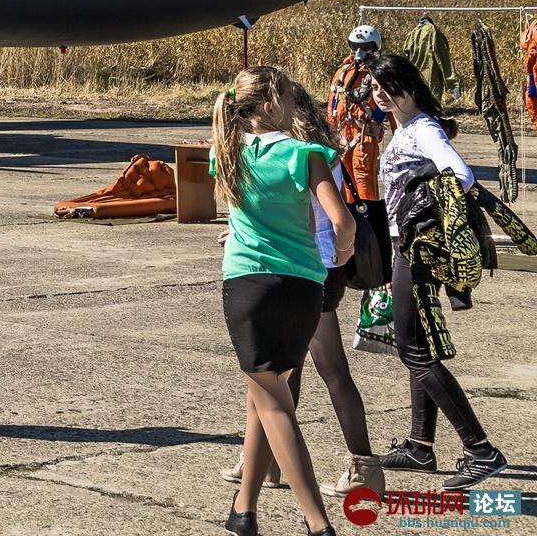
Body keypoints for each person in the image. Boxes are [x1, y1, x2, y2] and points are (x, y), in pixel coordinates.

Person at [219, 83, 382, 498]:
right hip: (319, 268)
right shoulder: (316, 151)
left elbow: (315, 217)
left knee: (319, 370)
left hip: (309, 268)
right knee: (287, 371)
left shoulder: (299, 154)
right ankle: (268, 460)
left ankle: (361, 466)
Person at [369, 54, 511, 492]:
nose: (378, 94)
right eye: (373, 87)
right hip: (405, 248)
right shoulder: (404, 129)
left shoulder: (423, 129)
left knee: (414, 351)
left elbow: (461, 175)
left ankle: (481, 450)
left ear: (408, 87)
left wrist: (428, 214)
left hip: (418, 250)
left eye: (385, 86)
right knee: (418, 345)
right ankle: (420, 446)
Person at [324, 25, 385, 207]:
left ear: (373, 47)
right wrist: (330, 134)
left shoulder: (379, 72)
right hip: (342, 134)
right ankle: (352, 218)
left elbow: (389, 104)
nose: (359, 51)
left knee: (364, 179)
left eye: (365, 47)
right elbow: (333, 102)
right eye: (356, 46)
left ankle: (370, 218)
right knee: (344, 180)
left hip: (364, 134)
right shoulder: (343, 72)